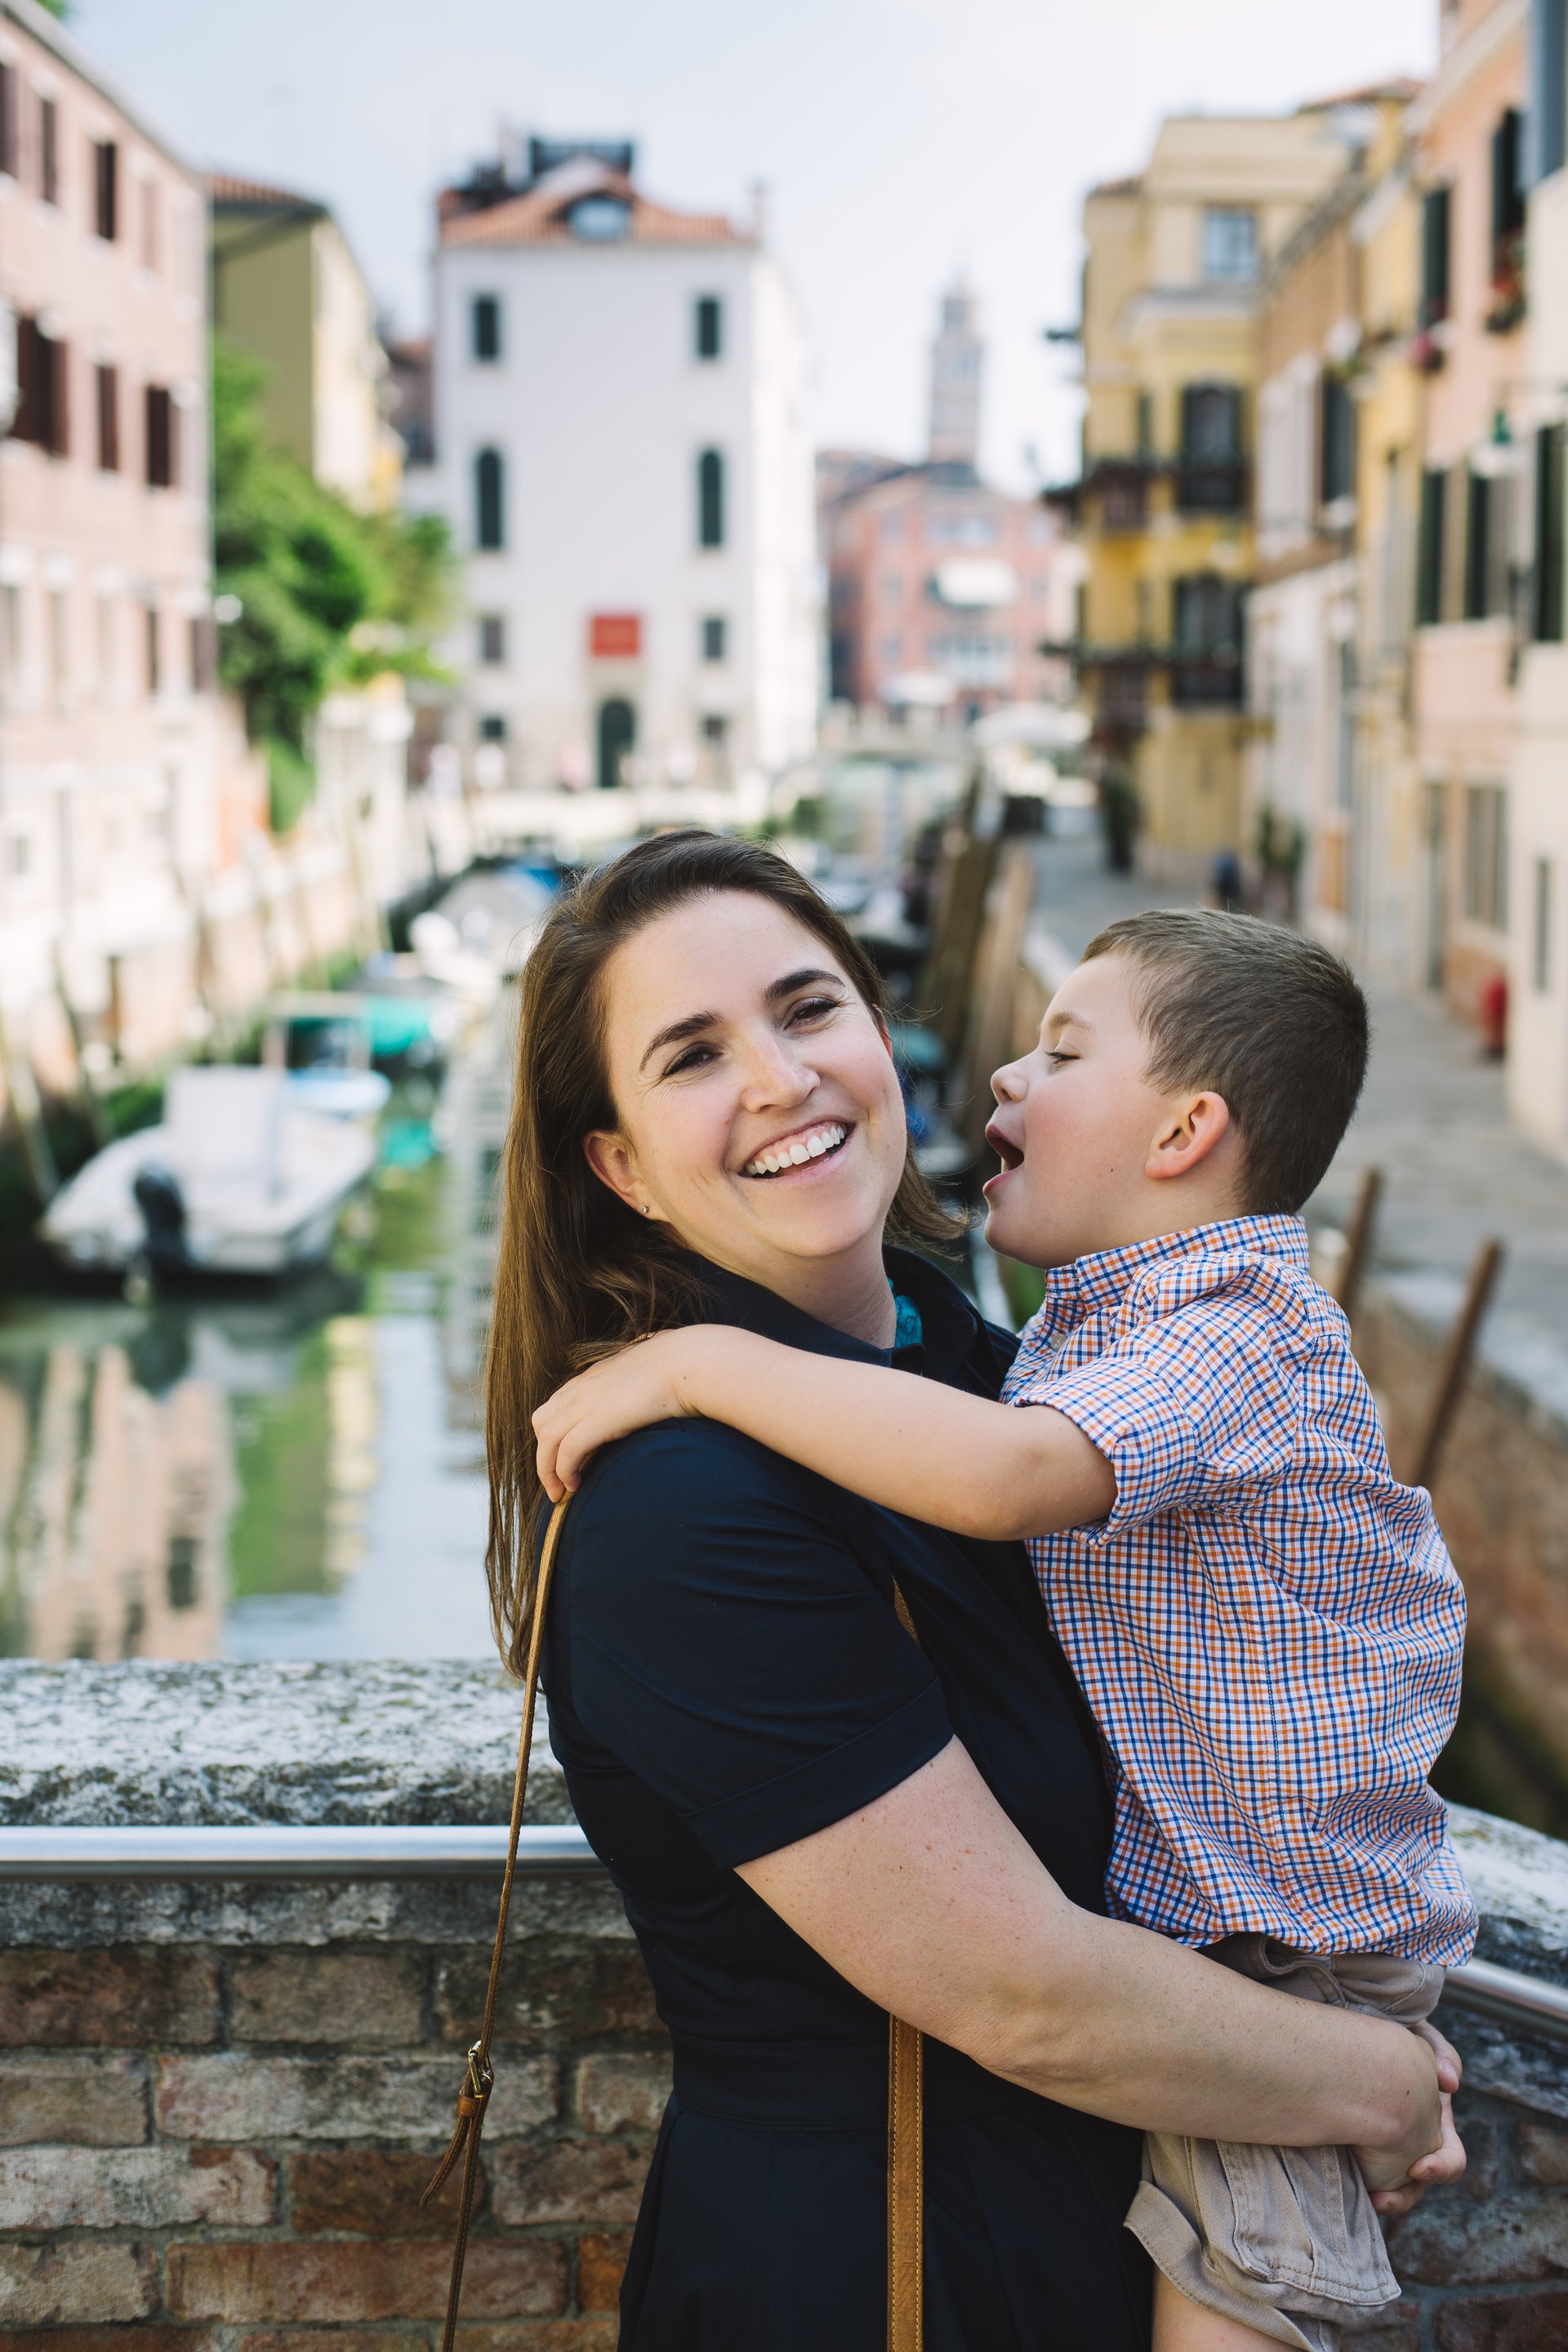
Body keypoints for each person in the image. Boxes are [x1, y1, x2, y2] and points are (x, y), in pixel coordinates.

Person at [500, 835, 1463, 2352]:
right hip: (890, 2285)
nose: (778, 1078)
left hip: (1106, 2244)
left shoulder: (1015, 1392)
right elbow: (1029, 1995)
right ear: (616, 1163)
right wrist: (1376, 2080)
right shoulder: (683, 1515)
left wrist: (1324, 2027)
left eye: (810, 1010)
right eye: (692, 1055)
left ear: (882, 1039)